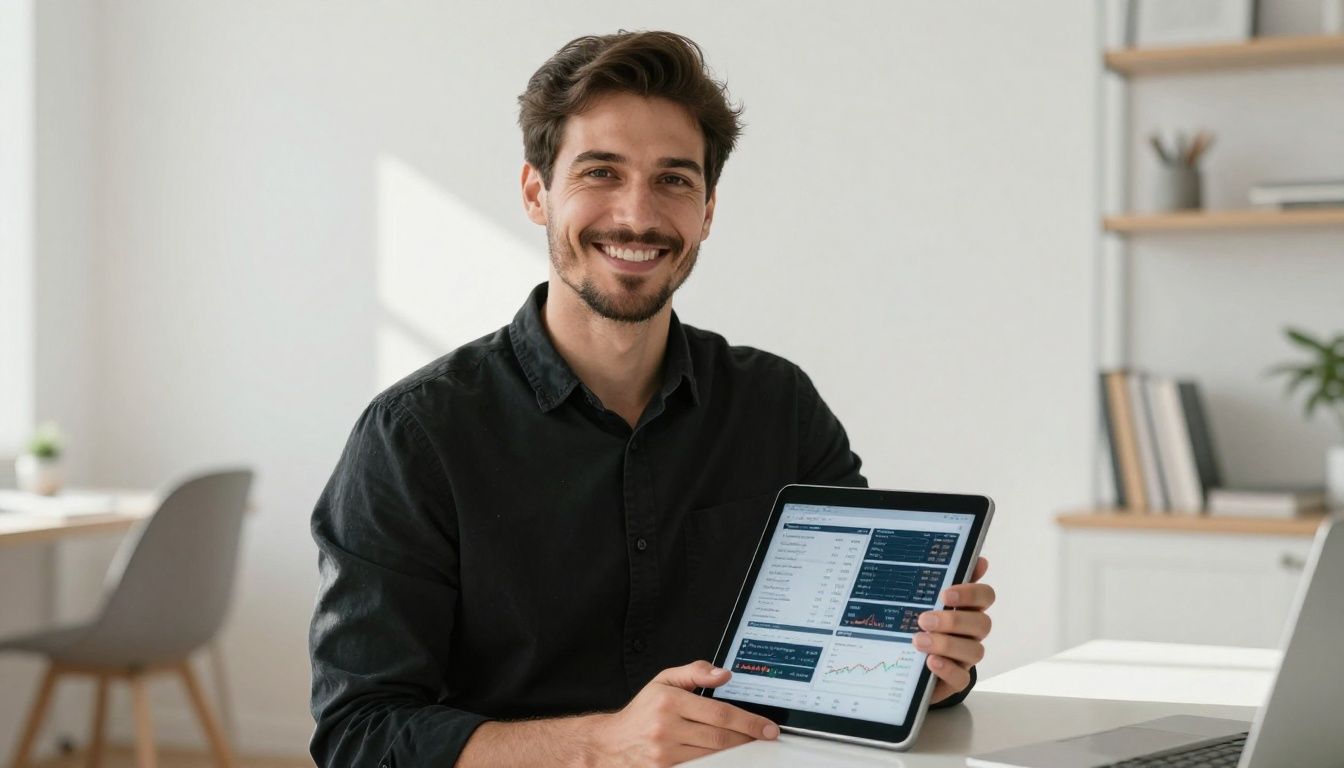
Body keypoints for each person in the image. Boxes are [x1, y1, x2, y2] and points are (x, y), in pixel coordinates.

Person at [309, 30, 995, 768]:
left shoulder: (778, 405)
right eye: (600, 172)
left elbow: (853, 665)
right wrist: (602, 745)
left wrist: (931, 665)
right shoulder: (414, 436)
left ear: (706, 210)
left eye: (673, 179)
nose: (637, 215)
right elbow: (360, 733)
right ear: (536, 193)